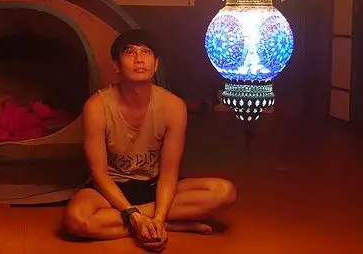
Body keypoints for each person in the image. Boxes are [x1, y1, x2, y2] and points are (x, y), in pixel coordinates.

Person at [62, 29, 237, 252]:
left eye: (146, 52)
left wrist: (159, 216)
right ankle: (169, 225)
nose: (139, 59)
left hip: (154, 185)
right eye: (130, 52)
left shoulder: (174, 106)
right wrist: (132, 215)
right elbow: (99, 174)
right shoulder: (96, 107)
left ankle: (153, 223)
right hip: (111, 189)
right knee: (76, 219)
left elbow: (169, 172)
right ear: (116, 65)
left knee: (224, 192)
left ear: (156, 64)